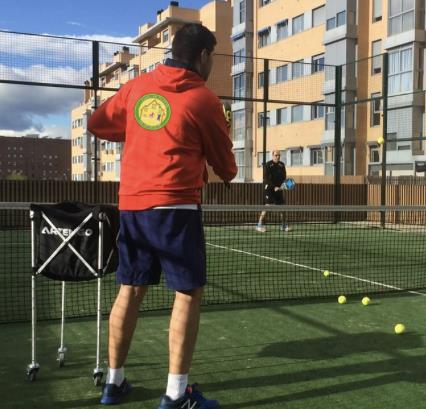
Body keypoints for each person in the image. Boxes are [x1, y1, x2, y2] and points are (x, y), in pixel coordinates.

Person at [88, 23, 237, 409]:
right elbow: (227, 166)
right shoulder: (204, 99)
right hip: (176, 207)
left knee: (130, 290)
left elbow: (97, 123)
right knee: (187, 294)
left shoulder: (138, 87)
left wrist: (141, 129)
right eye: (213, 58)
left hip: (133, 206)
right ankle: (175, 395)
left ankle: (114, 383)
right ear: (203, 55)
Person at [256, 150, 291, 233]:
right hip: (269, 189)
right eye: (276, 155)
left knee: (282, 207)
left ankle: (283, 225)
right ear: (272, 155)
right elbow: (265, 178)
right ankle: (259, 225)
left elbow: (284, 177)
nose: (277, 156)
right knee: (267, 206)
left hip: (278, 189)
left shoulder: (282, 165)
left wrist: (282, 186)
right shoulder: (268, 165)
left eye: (279, 155)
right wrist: (274, 187)